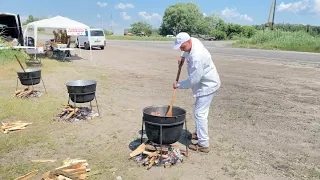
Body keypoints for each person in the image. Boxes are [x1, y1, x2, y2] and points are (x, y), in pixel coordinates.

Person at [172, 32, 221, 153]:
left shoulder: (197, 57)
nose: (181, 49)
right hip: (206, 82)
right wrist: (183, 55)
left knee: (200, 114)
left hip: (207, 85)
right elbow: (186, 49)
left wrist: (179, 85)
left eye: (182, 47)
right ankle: (199, 133)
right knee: (199, 112)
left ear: (188, 42)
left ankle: (203, 144)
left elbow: (194, 80)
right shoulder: (192, 40)